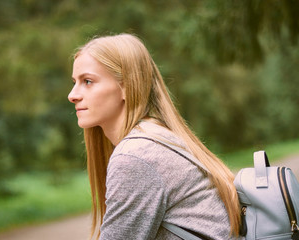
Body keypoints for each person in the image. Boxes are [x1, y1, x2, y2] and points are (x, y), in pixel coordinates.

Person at [68, 33, 242, 240]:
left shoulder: (135, 157)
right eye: (74, 82)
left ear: (126, 86)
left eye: (87, 81)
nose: (72, 95)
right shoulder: (157, 137)